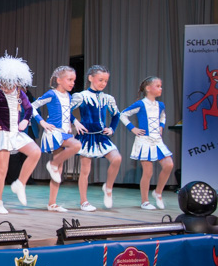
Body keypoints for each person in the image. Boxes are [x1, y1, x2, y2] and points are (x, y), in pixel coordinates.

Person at [0, 56, 41, 213]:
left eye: (11, 85)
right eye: (5, 84)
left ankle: (20, 183)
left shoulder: (19, 93)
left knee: (35, 152)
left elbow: (29, 109)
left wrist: (25, 121)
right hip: (2, 134)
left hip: (16, 133)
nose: (8, 88)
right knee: (2, 169)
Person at [71, 65, 122, 211]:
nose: (103, 83)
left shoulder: (108, 98)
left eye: (105, 81)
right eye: (100, 80)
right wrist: (76, 122)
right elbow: (66, 110)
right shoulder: (81, 96)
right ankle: (84, 201)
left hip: (101, 136)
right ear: (90, 78)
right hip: (86, 137)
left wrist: (112, 128)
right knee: (85, 170)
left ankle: (108, 188)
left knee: (117, 158)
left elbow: (116, 115)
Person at [31, 66, 82, 212]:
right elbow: (32, 106)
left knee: (59, 170)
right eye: (69, 79)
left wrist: (75, 122)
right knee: (76, 145)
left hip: (65, 132)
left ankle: (52, 203)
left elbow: (68, 112)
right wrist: (42, 122)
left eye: (74, 80)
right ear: (59, 80)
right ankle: (52, 164)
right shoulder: (52, 94)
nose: (72, 83)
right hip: (54, 132)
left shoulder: (69, 96)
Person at [120, 76, 173, 210]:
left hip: (157, 140)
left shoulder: (160, 105)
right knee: (148, 172)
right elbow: (123, 114)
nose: (161, 88)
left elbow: (163, 116)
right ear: (148, 88)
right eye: (158, 86)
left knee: (168, 164)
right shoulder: (140, 104)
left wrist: (161, 126)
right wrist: (133, 129)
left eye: (161, 86)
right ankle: (145, 201)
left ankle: (158, 192)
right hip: (145, 141)